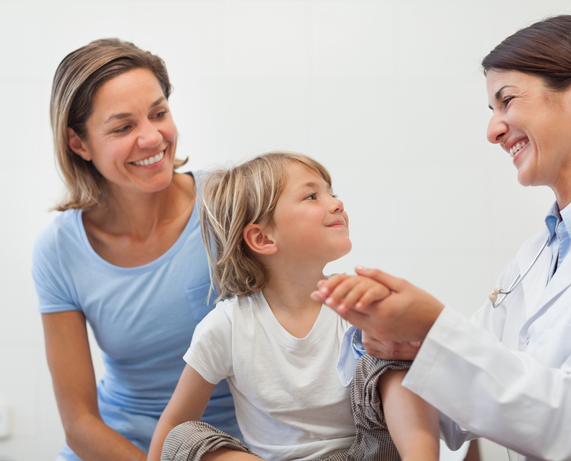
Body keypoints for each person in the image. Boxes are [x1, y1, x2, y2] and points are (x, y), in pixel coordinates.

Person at [312, 15, 571, 461]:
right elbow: (461, 415)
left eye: (506, 101)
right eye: (493, 111)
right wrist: (400, 343)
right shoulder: (535, 255)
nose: (493, 130)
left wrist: (433, 327)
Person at [147, 152, 440, 461]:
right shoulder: (227, 326)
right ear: (262, 238)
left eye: (332, 192)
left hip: (363, 455)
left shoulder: (358, 303)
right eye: (312, 196)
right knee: (183, 437)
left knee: (388, 350)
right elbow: (173, 424)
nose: (336, 202)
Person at [32, 39, 240, 461]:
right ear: (79, 143)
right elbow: (79, 424)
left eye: (159, 113)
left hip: (229, 445)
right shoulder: (59, 249)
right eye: (123, 127)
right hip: (119, 447)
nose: (152, 137)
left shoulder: (229, 202)